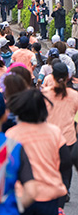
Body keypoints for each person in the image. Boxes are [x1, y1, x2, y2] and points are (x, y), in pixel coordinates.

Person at [6, 89, 71, 215]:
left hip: (22, 196)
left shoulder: (12, 134)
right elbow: (66, 163)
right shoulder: (55, 132)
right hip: (49, 196)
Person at [41, 61, 78, 203]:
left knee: (49, 166)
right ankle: (65, 190)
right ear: (68, 77)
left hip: (48, 137)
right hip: (68, 138)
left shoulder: (44, 94)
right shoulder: (74, 95)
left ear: (53, 77)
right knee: (66, 167)